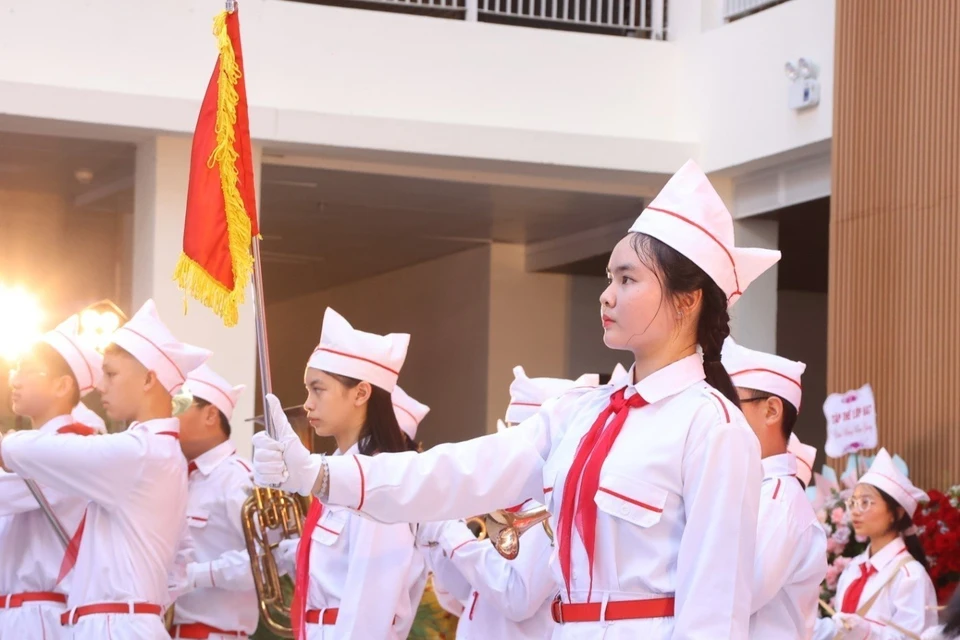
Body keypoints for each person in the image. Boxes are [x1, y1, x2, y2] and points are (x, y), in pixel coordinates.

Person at [254, 159, 781, 639]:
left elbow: (715, 610)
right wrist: (321, 475)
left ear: (687, 301)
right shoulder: (582, 413)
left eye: (628, 278)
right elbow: (458, 470)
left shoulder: (714, 428)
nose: (606, 294)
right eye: (608, 277)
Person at [0, 299, 210, 640]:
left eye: (111, 374)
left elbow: (40, 450)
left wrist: (7, 445)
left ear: (149, 380)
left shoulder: (141, 452)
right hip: (116, 621)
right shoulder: (151, 451)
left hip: (118, 624)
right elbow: (180, 562)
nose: (101, 386)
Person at [256, 308, 426, 640]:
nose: (307, 404)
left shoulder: (380, 483)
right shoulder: (338, 472)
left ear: (361, 393)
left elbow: (370, 607)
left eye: (318, 390)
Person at [420, 366, 598, 640]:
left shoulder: (550, 511)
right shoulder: (511, 504)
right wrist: (435, 543)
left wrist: (451, 533)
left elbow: (517, 599)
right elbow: (469, 594)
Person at [0, 316, 104, 639]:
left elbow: (7, 494)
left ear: (62, 385)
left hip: (41, 619)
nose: (15, 380)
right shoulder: (31, 448)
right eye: (15, 368)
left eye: (28, 370)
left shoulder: (71, 448)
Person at [722, 338, 827, 639]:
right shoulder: (753, 490)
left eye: (730, 404)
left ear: (771, 411)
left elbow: (732, 597)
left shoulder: (778, 501)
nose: (719, 417)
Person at [168, 364, 258, 640]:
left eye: (177, 406)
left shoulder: (239, 477)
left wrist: (194, 576)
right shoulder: (178, 477)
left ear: (210, 415)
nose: (167, 417)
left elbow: (269, 562)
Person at [813, 448, 938, 640]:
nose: (855, 511)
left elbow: (914, 638)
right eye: (853, 502)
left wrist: (867, 632)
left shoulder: (910, 577)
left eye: (866, 502)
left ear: (896, 513)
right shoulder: (853, 569)